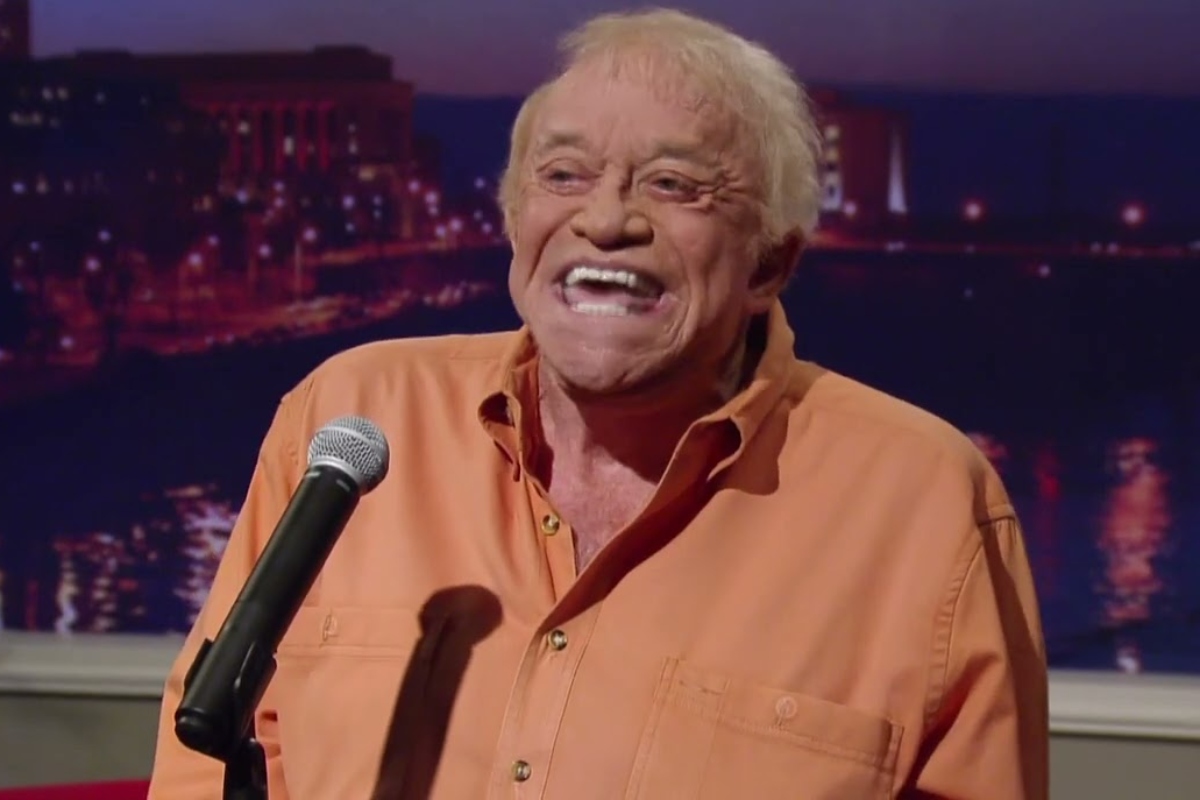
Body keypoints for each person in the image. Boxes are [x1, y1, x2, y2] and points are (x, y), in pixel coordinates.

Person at [148, 8, 1048, 798]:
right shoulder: (351, 415)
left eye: (674, 185)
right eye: (565, 176)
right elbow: (210, 753)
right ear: (514, 223)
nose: (607, 221)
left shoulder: (926, 504)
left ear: (770, 263)